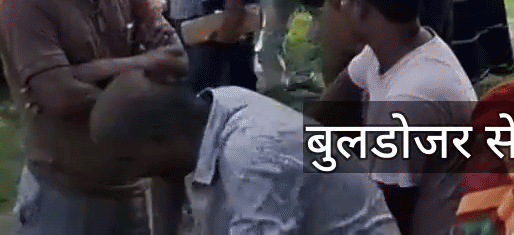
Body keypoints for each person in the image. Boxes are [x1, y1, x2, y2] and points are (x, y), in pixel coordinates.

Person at [0, 0, 187, 234]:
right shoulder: (25, 4)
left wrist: (84, 72)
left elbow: (178, 61)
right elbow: (62, 98)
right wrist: (144, 65)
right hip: (67, 200)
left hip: (134, 191)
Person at [88, 70, 399, 235]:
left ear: (158, 140)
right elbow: (167, 174)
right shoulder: (214, 108)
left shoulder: (253, 154)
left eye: (129, 161)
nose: (134, 176)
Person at [311, 0, 477, 235]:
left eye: (342, 2)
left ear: (361, 10)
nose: (335, 13)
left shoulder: (410, 98)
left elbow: (385, 217)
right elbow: (326, 114)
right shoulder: (390, 50)